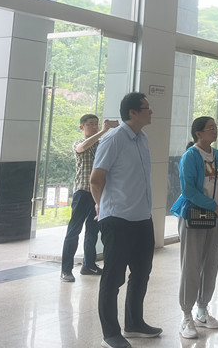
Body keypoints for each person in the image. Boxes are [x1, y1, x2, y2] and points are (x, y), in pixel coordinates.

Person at [90, 92, 162, 348]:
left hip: (142, 218)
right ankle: (110, 333)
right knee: (113, 279)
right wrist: (101, 206)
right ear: (132, 112)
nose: (150, 111)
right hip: (117, 219)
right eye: (146, 108)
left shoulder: (142, 138)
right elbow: (96, 179)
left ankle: (134, 323)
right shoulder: (113, 139)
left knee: (141, 274)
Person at [171, 116, 218, 339]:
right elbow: (188, 190)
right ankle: (186, 315)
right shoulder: (190, 156)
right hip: (194, 216)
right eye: (210, 128)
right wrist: (213, 206)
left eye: (215, 127)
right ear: (198, 133)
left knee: (211, 264)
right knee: (191, 265)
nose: (215, 130)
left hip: (214, 218)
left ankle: (202, 310)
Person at [60, 114, 118, 282]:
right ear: (82, 127)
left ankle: (89, 265)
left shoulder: (100, 145)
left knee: (92, 231)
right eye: (90, 124)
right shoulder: (79, 143)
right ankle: (66, 270)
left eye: (96, 124)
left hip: (97, 193)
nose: (94, 126)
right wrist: (103, 131)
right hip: (82, 192)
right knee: (74, 231)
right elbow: (83, 147)